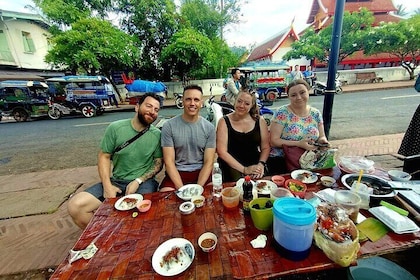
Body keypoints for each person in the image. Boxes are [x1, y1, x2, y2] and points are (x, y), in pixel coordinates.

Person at [68, 93, 163, 229]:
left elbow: (158, 164)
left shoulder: (157, 135)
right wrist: (107, 187)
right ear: (137, 107)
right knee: (76, 206)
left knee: (141, 214)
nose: (152, 111)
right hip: (117, 181)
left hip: (143, 183)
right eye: (148, 106)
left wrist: (138, 181)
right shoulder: (115, 128)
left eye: (156, 109)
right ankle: (102, 236)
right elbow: (104, 156)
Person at [159, 84, 216, 191]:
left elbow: (209, 162)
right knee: (165, 195)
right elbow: (169, 162)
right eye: (188, 99)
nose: (192, 103)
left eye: (196, 100)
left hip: (201, 172)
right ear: (182, 101)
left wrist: (198, 189)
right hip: (177, 172)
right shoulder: (169, 126)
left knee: (213, 194)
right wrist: (182, 190)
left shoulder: (209, 128)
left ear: (201, 103)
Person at [267, 79, 329, 174]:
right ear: (289, 97)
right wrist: (299, 143)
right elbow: (273, 141)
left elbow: (321, 136)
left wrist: (323, 142)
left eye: (302, 92)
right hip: (283, 162)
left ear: (308, 92)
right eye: (293, 95)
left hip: (309, 160)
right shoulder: (282, 113)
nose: (299, 97)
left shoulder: (315, 113)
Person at [216, 89, 270, 182]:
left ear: (252, 105)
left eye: (246, 103)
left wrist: (261, 164)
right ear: (235, 101)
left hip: (254, 164)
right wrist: (244, 170)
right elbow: (222, 151)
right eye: (239, 101)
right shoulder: (224, 121)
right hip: (230, 166)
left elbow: (265, 147)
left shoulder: (260, 121)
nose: (241, 106)